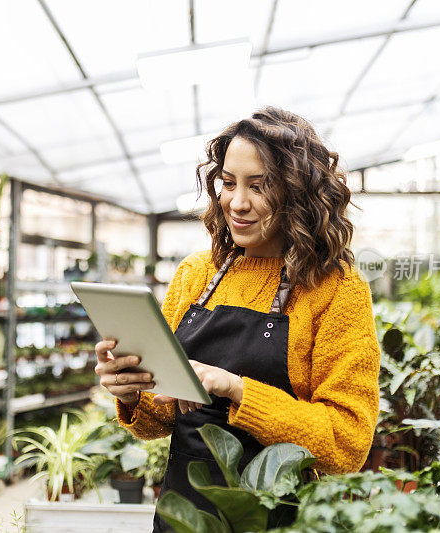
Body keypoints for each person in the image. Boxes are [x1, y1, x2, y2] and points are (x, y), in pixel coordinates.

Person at [94, 106, 380, 531]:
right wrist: (133, 391)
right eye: (228, 183)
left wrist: (237, 390)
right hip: (184, 518)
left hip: (280, 519)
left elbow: (347, 444)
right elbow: (158, 422)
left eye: (259, 187)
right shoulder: (196, 275)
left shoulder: (336, 289)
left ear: (297, 193)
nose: (237, 203)